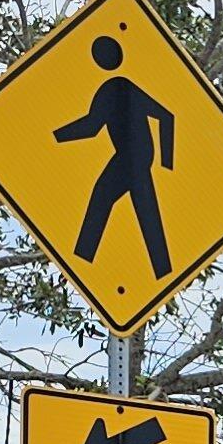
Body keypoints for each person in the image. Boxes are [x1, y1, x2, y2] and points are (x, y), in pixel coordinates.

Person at [55, 36, 176, 280]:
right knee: (146, 213)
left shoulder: (118, 86)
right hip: (137, 157)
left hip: (133, 156)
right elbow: (92, 127)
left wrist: (168, 162)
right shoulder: (115, 87)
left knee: (102, 197)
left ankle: (84, 258)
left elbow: (166, 116)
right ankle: (162, 269)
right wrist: (56, 136)